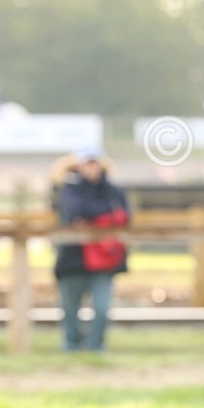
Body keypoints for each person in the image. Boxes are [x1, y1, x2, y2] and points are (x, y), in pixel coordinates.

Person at [53, 145, 130, 352]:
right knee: (70, 308)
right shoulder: (68, 188)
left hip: (105, 259)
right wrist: (103, 216)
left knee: (102, 308)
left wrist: (91, 219)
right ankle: (72, 344)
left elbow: (125, 217)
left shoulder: (113, 190)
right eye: (87, 162)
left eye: (94, 162)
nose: (91, 167)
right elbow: (76, 210)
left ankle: (96, 345)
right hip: (73, 258)